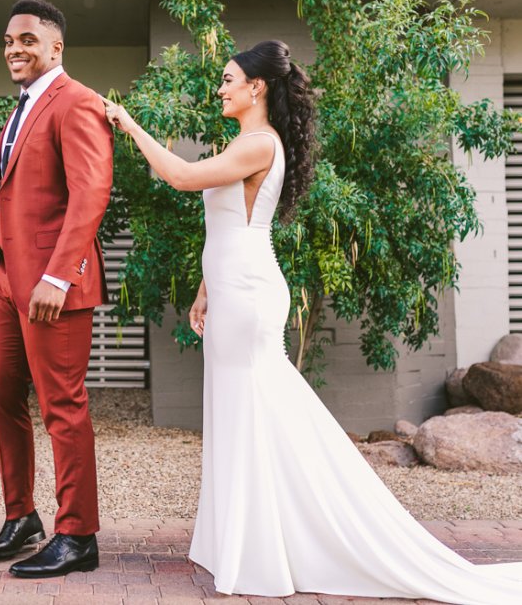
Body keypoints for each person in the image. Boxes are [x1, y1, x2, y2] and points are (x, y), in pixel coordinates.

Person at [102, 40, 522, 603]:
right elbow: (232, 225)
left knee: (260, 411)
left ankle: (284, 542)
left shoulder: (258, 144)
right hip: (233, 290)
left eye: (229, 79)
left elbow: (180, 176)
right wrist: (204, 292)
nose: (220, 88)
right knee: (239, 413)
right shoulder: (247, 142)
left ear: (258, 87)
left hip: (250, 295)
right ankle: (253, 539)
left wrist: (129, 124)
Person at [0, 0, 113, 579]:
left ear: (56, 47)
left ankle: (78, 535)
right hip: (5, 279)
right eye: (7, 41)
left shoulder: (77, 102)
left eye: (26, 39)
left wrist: (56, 274)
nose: (14, 50)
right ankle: (21, 516)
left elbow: (90, 194)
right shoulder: (21, 108)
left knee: (63, 408)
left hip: (54, 284)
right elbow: (12, 202)